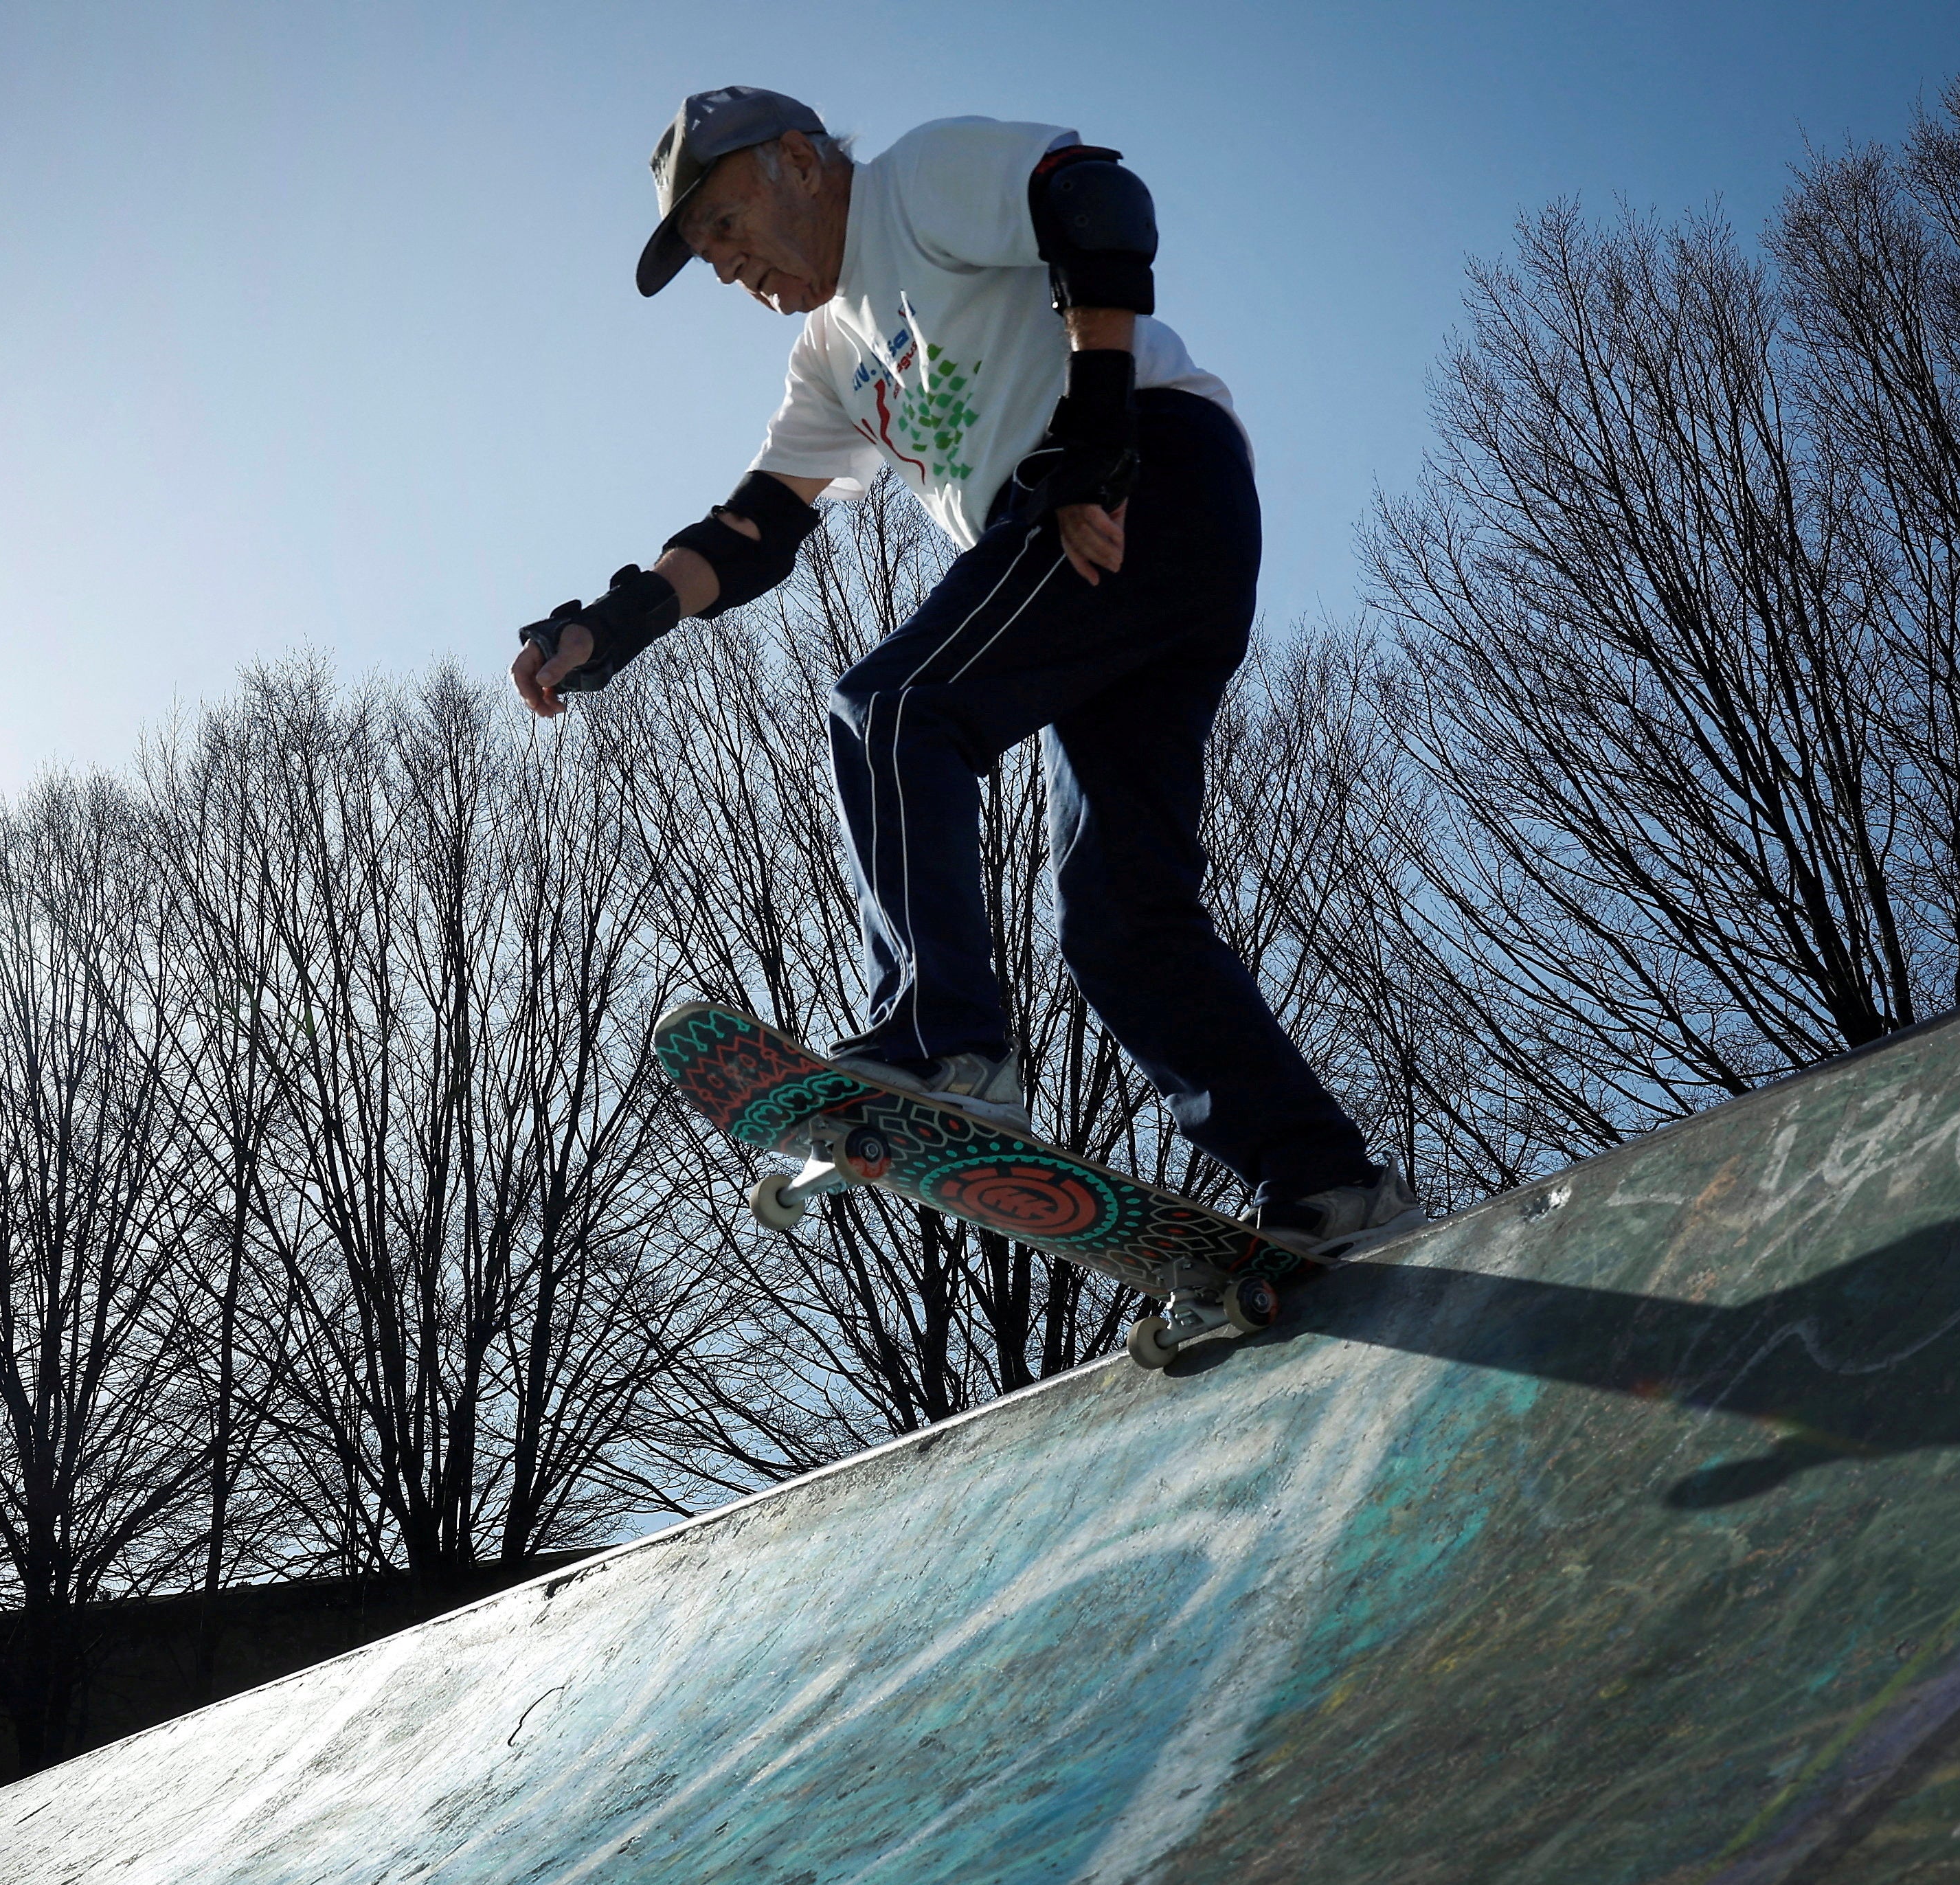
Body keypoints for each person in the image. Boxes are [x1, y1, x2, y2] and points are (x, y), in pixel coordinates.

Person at [510, 87, 1413, 1252]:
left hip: (1139, 477)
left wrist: (1097, 436)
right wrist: (613, 628)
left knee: (895, 708)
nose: (729, 269)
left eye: (726, 226)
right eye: (704, 256)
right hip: (1104, 556)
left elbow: (1096, 202)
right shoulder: (829, 355)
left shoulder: (914, 184)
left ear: (795, 160)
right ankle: (1328, 1185)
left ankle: (942, 1045)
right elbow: (756, 528)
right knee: (1120, 920)